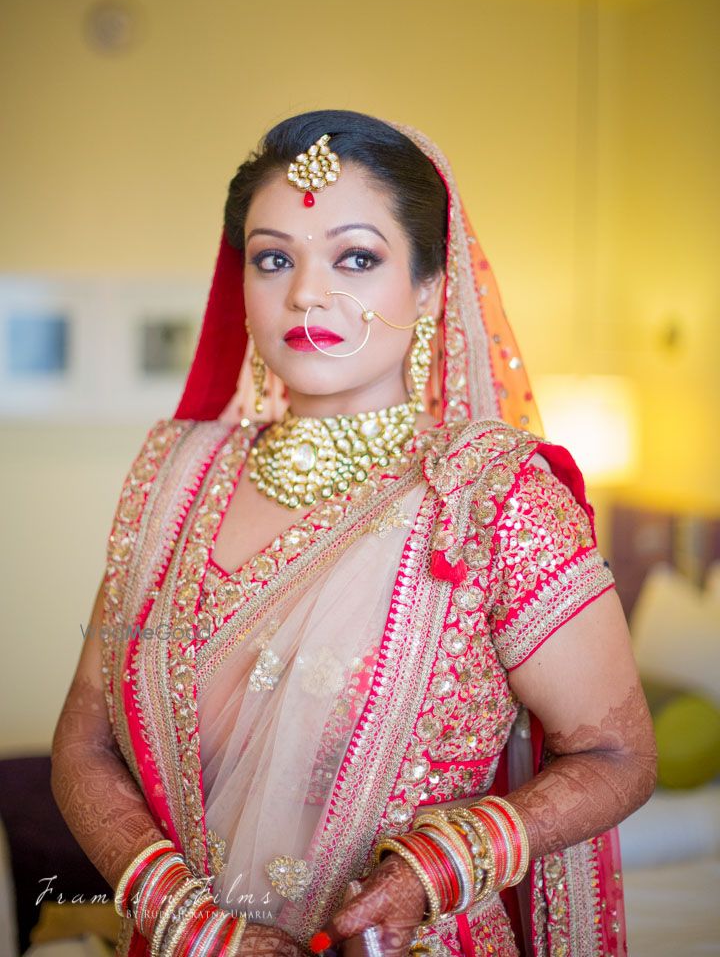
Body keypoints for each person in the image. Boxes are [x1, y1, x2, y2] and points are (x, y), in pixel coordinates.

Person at [50, 110, 657, 957]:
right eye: (274, 258)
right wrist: (191, 923)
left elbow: (619, 755)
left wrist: (435, 868)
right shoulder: (170, 478)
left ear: (432, 287)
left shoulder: (492, 497)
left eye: (357, 257)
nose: (306, 293)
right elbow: (84, 739)